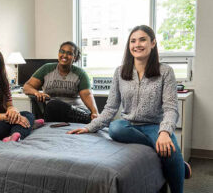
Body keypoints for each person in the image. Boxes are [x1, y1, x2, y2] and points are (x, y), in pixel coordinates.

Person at [67, 25, 191, 193]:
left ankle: (178, 177)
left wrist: (164, 133)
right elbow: (111, 107)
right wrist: (90, 127)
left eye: (142, 40)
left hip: (155, 126)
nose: (137, 44)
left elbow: (171, 108)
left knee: (171, 151)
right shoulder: (120, 72)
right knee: (115, 128)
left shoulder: (165, 71)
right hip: (129, 126)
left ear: (153, 43)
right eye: (133, 41)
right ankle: (160, 150)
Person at [23, 41, 98, 124]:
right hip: (53, 112)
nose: (65, 55)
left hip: (77, 112)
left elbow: (87, 95)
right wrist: (37, 93)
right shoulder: (46, 69)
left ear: (75, 57)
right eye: (62, 51)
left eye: (69, 53)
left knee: (52, 105)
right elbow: (27, 86)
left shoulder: (80, 73)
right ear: (58, 53)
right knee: (52, 105)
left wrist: (95, 112)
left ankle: (88, 119)